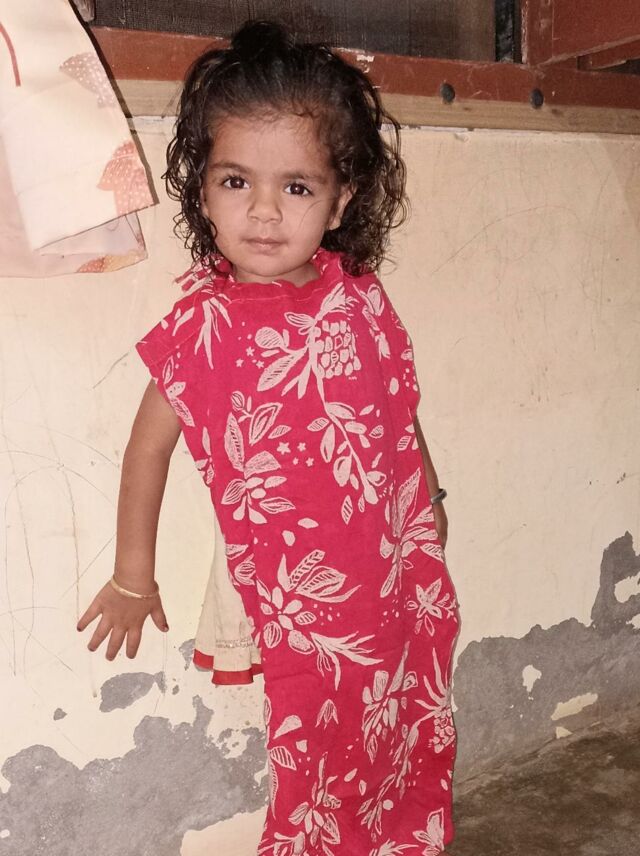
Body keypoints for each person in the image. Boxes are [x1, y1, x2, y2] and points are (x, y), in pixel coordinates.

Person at [78, 20, 459, 855]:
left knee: (405, 712)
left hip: (391, 564)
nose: (262, 210)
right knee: (318, 749)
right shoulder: (202, 328)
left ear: (341, 200)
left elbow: (396, 406)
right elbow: (149, 448)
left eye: (296, 186)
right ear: (202, 192)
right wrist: (134, 576)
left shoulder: (359, 297)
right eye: (235, 180)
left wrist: (428, 497)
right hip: (299, 598)